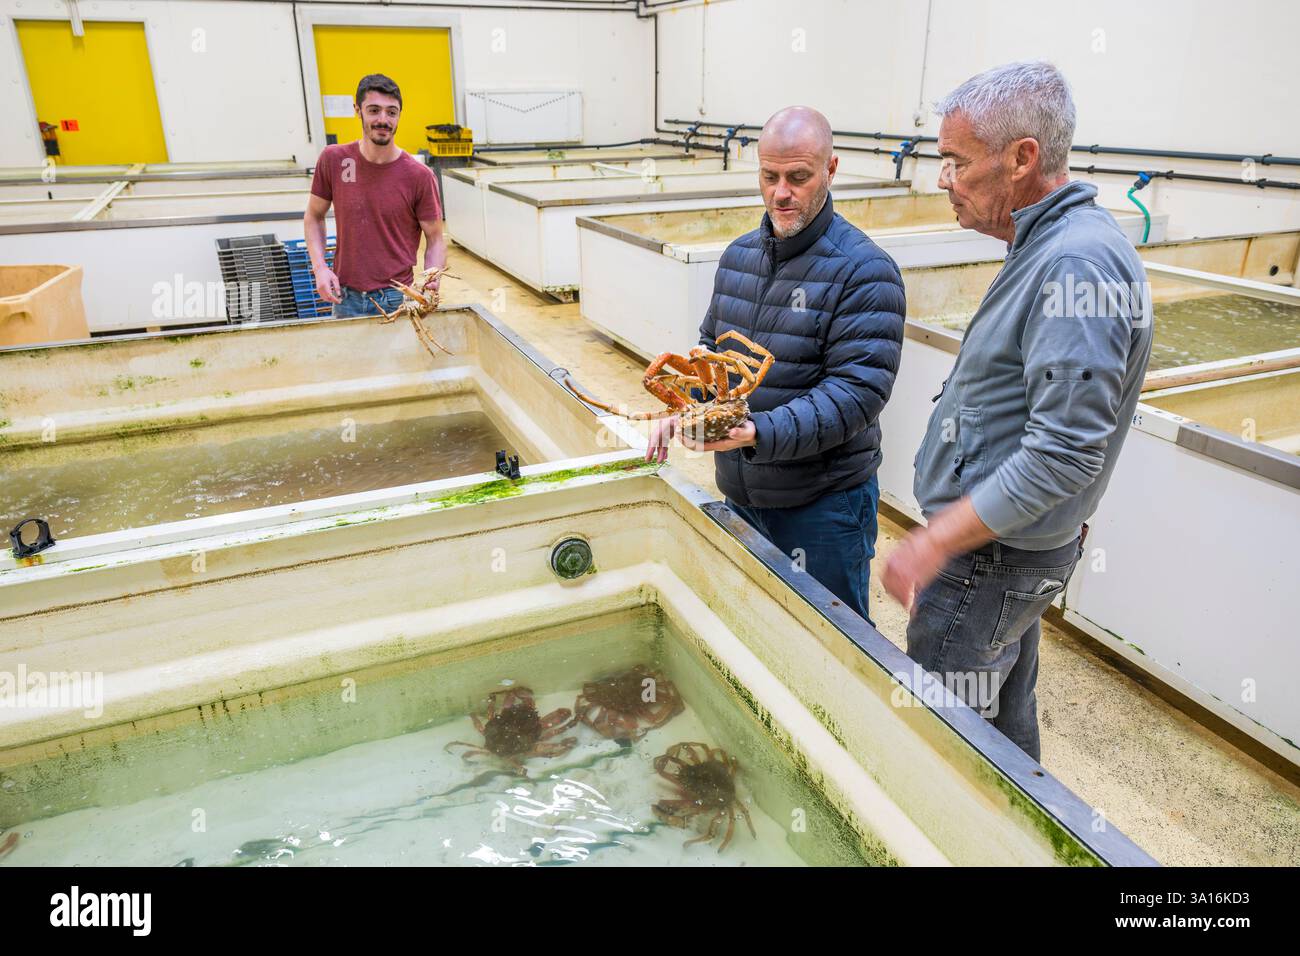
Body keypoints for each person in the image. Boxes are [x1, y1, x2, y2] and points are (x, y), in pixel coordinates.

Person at [882, 61, 1153, 761]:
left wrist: (936, 539)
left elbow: (1065, 450)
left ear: (1022, 158)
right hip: (1007, 548)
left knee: (944, 738)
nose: (944, 181)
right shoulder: (1044, 243)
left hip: (987, 558)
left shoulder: (1076, 264)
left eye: (956, 163)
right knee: (1001, 715)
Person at [649, 106, 906, 624]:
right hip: (742, 492)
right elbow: (709, 353)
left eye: (799, 177)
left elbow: (856, 393)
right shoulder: (738, 256)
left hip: (824, 506)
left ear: (831, 171)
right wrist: (685, 408)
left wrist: (756, 432)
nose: (780, 193)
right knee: (760, 624)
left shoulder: (865, 271)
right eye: (769, 176)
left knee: (834, 639)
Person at [304, 73, 447, 318]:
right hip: (345, 297)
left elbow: (434, 237)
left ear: (399, 115)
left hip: (398, 297)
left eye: (391, 112)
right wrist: (320, 268)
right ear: (357, 111)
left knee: (400, 358)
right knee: (350, 357)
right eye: (374, 110)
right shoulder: (334, 159)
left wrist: (431, 278)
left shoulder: (419, 176)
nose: (383, 120)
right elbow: (314, 216)